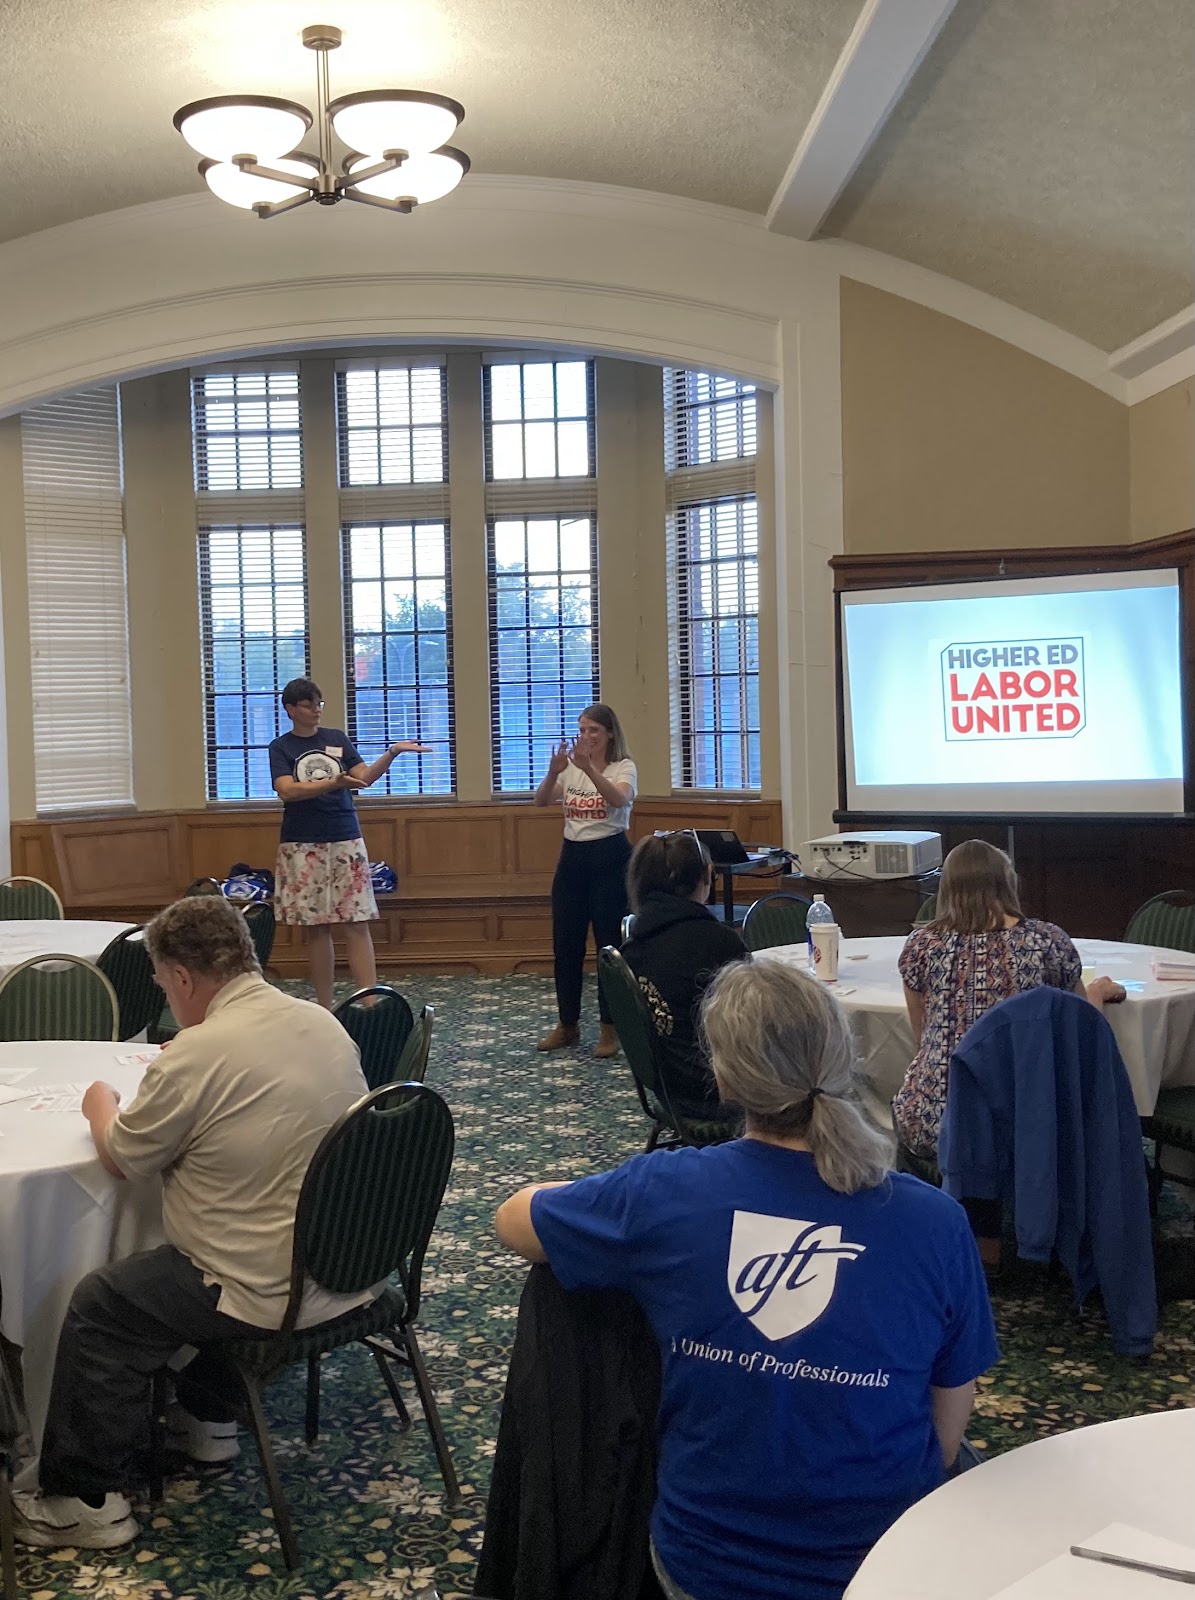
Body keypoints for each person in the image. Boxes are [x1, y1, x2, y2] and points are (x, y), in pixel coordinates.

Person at [496, 960, 998, 1600]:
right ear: (842, 1060)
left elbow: (510, 1219)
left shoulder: (663, 1193)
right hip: (889, 1564)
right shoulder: (937, 1222)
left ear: (725, 1080)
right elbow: (947, 1434)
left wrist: (602, 1202)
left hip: (703, 1565)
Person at [12, 896, 371, 1551]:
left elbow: (122, 1158)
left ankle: (84, 1500)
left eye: (162, 984)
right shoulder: (320, 1022)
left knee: (103, 1300)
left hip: (265, 1286)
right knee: (184, 1239)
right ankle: (210, 1419)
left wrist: (102, 1104)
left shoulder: (199, 1053)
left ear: (181, 978)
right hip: (348, 1261)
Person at [894, 838, 1126, 1161]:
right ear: (1007, 884)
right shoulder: (1047, 943)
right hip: (1028, 1126)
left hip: (936, 1124)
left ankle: (929, 1204)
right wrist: (1096, 993)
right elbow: (1081, 1037)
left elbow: (923, 1040)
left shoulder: (921, 947)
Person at [269, 677, 427, 1008]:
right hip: (302, 843)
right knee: (317, 927)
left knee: (356, 921)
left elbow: (363, 778)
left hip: (344, 837)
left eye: (319, 704)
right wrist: (332, 782)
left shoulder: (336, 739)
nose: (316, 710)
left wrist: (393, 752)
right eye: (309, 705)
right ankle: (325, 1005)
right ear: (291, 709)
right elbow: (287, 790)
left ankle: (370, 1003)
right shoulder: (281, 747)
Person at [534, 703, 637, 1059]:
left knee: (609, 949)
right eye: (583, 729)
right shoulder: (570, 769)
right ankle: (568, 1025)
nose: (587, 736)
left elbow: (618, 798)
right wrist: (553, 772)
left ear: (609, 733)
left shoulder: (623, 767)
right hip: (572, 860)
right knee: (566, 946)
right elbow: (541, 802)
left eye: (594, 730)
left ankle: (611, 1028)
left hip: (611, 859)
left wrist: (590, 770)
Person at [622, 830, 747, 1114]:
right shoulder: (719, 942)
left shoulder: (632, 947)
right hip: (718, 1092)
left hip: (667, 1086)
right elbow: (752, 1024)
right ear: (708, 875)